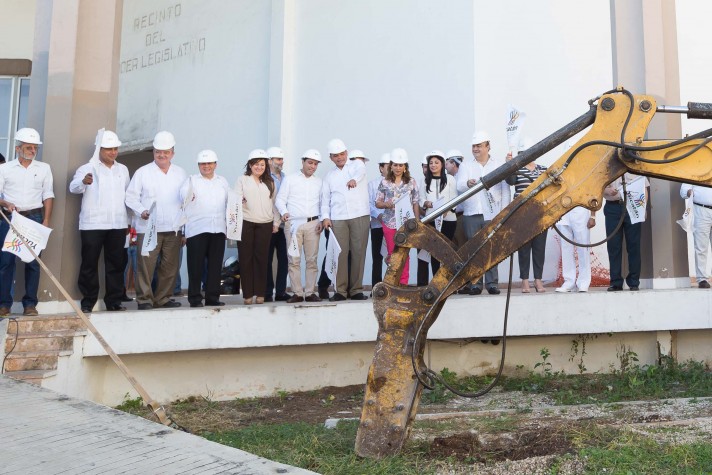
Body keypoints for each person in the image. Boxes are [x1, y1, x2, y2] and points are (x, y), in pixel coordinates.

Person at [69, 130, 129, 312]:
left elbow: (128, 195)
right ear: (99, 149)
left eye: (115, 148)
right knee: (89, 263)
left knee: (116, 264)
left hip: (118, 224)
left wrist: (130, 222)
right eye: (108, 149)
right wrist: (84, 182)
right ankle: (88, 302)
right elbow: (73, 188)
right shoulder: (86, 168)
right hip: (93, 224)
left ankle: (114, 301)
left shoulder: (123, 169)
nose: (112, 152)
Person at [125, 131, 186, 310]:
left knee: (170, 266)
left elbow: (186, 201)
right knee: (146, 266)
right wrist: (141, 211)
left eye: (166, 152)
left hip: (173, 228)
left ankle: (163, 298)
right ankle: (144, 299)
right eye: (158, 151)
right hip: (148, 228)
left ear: (172, 153)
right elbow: (130, 197)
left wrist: (185, 228)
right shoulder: (142, 172)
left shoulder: (180, 173)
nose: (162, 155)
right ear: (153, 152)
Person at [0, 128, 54, 316]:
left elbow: (48, 195)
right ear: (18, 149)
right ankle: (4, 304)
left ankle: (30, 304)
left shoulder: (44, 168)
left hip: (35, 218)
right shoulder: (4, 169)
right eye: (28, 147)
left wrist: (46, 220)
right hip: (11, 218)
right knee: (6, 261)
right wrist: (5, 202)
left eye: (35, 147)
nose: (32, 150)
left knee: (33, 261)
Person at [456, 131, 511, 295]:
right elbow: (459, 186)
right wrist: (468, 183)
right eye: (474, 146)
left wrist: (505, 213)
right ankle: (475, 284)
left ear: (488, 146)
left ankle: (492, 283)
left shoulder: (498, 164)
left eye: (479, 146)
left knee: (491, 250)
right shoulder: (466, 166)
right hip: (471, 213)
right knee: (474, 251)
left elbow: (505, 190)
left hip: (493, 214)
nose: (475, 149)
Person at [320, 138, 370, 301]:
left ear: (347, 153)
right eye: (336, 155)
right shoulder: (329, 176)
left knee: (358, 252)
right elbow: (325, 199)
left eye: (342, 154)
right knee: (339, 254)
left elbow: (360, 172)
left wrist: (354, 179)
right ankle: (340, 291)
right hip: (338, 218)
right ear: (331, 158)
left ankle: (356, 289)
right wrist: (325, 217)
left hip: (359, 214)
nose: (340, 157)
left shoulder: (357, 165)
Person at [181, 150, 229, 308]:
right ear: (198, 165)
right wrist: (188, 196)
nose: (206, 166)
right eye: (203, 163)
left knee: (215, 266)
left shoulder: (222, 181)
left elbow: (230, 202)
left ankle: (212, 297)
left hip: (218, 229)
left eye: (209, 163)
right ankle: (195, 298)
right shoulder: (191, 181)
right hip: (197, 229)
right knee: (196, 266)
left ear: (215, 164)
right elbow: (183, 197)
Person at [275, 149, 323, 303]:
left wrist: (321, 220)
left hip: (313, 224)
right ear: (302, 162)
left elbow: (323, 204)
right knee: (294, 260)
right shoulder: (290, 179)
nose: (313, 166)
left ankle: (309, 293)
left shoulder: (319, 182)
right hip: (294, 224)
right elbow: (280, 200)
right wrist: (284, 212)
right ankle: (297, 292)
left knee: (312, 260)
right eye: (310, 162)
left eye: (315, 164)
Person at [235, 149, 280, 305]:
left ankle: (260, 293)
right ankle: (247, 294)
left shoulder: (270, 182)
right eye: (256, 164)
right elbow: (236, 200)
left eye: (262, 164)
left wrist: (276, 222)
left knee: (262, 259)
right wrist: (240, 201)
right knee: (246, 258)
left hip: (265, 224)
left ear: (266, 166)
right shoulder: (242, 180)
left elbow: (274, 205)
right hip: (246, 222)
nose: (259, 167)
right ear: (250, 165)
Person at [506, 140, 548, 293]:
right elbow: (510, 181)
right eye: (523, 153)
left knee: (539, 247)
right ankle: (524, 280)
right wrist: (509, 166)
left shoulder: (543, 169)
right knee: (524, 248)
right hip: (522, 213)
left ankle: (538, 280)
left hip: (539, 212)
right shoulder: (517, 169)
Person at [375, 148, 420, 285]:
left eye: (401, 165)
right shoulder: (384, 182)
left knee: (405, 254)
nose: (398, 168)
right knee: (393, 254)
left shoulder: (411, 182)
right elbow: (377, 203)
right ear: (391, 165)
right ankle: (392, 283)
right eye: (395, 165)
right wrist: (386, 204)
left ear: (405, 166)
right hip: (389, 223)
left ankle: (403, 283)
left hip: (407, 224)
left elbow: (415, 202)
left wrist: (417, 221)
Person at [603, 173, 649, 291]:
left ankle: (634, 282)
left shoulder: (636, 168)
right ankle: (616, 282)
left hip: (632, 206)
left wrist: (643, 208)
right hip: (613, 207)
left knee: (633, 245)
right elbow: (599, 187)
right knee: (613, 246)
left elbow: (643, 189)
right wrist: (608, 191)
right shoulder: (608, 168)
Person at [419, 150, 458, 280]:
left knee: (447, 251)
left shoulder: (451, 179)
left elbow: (454, 198)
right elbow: (420, 199)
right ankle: (436, 280)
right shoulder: (424, 180)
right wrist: (427, 203)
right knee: (434, 252)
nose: (433, 165)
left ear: (442, 164)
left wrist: (447, 209)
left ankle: (447, 280)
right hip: (431, 220)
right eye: (431, 163)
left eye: (436, 162)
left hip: (449, 220)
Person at [264, 146, 290, 302]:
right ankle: (267, 292)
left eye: (282, 159)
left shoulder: (286, 177)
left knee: (284, 259)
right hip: (268, 223)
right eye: (278, 159)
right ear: (269, 161)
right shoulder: (264, 178)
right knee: (267, 259)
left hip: (283, 225)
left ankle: (280, 291)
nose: (281, 162)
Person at [556, 207, 595, 292]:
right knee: (566, 249)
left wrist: (593, 216)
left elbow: (593, 196)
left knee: (583, 249)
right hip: (563, 211)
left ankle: (583, 283)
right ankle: (569, 282)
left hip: (581, 211)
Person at [680, 183, 712, 288]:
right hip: (701, 209)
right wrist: (690, 192)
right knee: (701, 247)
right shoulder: (695, 168)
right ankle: (702, 279)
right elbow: (683, 190)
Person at [369, 153, 390, 293]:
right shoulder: (372, 184)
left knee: (393, 257)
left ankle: (391, 286)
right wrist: (380, 215)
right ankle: (376, 288)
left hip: (393, 227)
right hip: (377, 225)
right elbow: (369, 204)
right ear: (381, 168)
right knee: (377, 257)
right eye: (387, 167)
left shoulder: (398, 183)